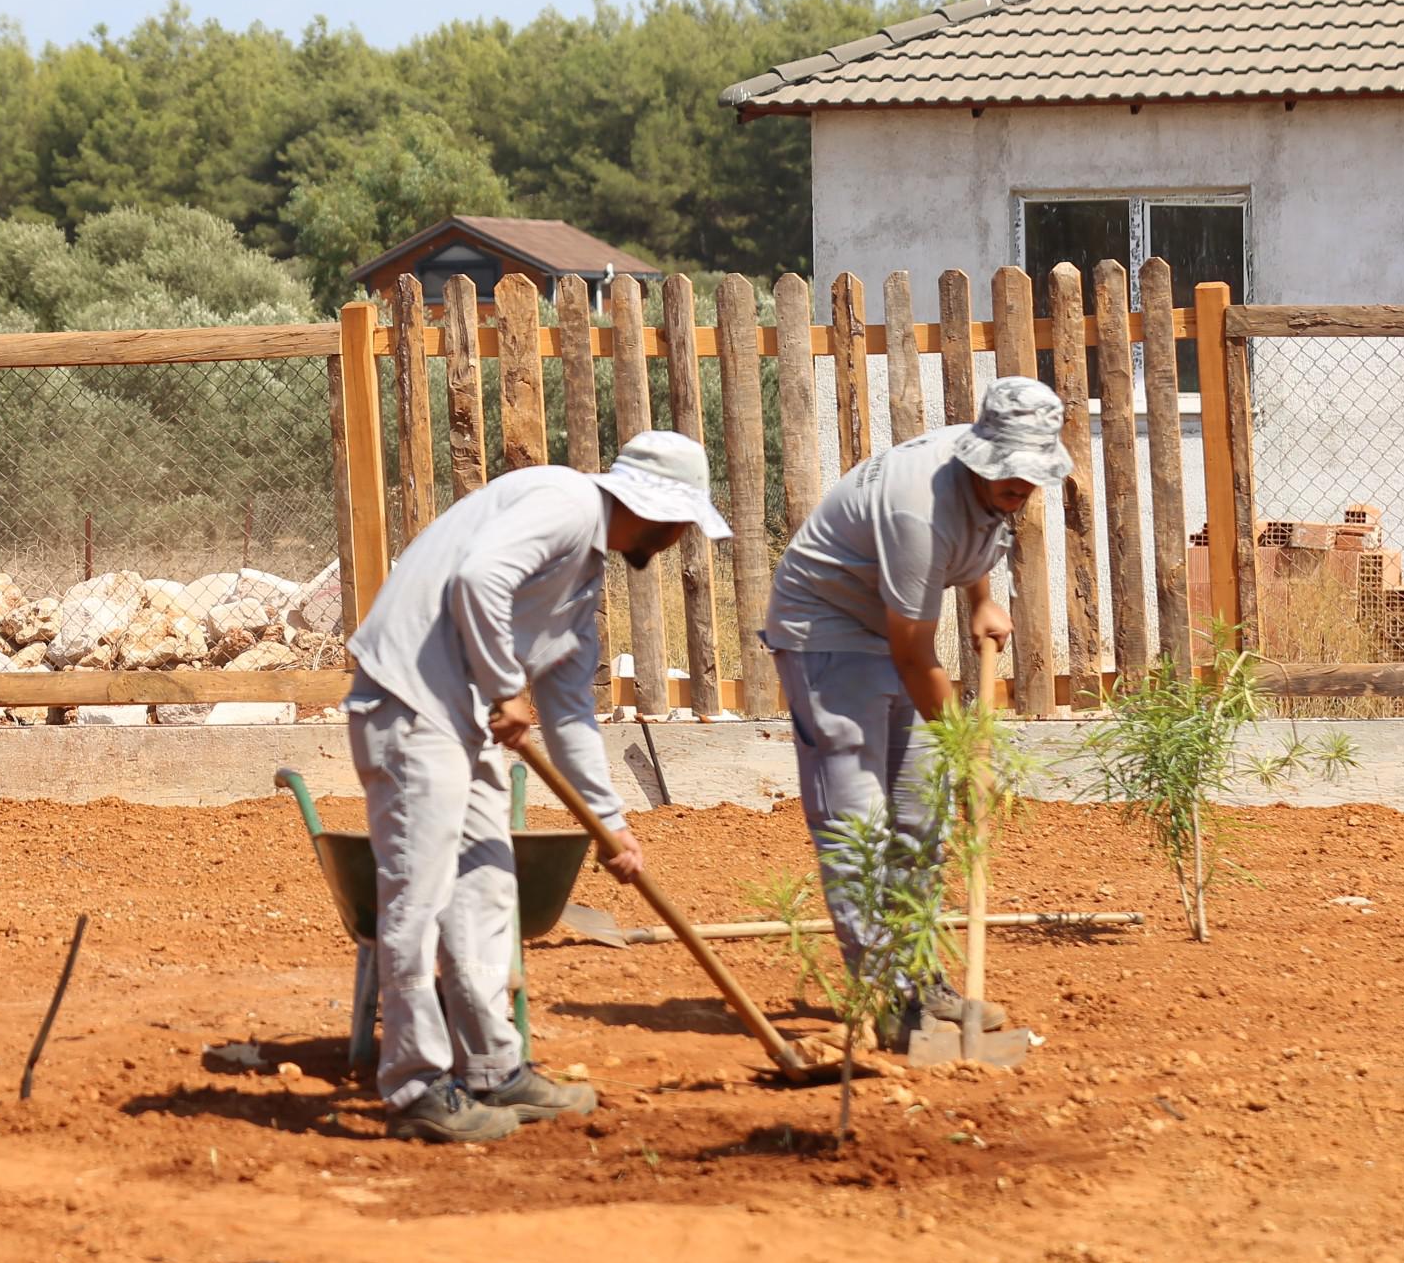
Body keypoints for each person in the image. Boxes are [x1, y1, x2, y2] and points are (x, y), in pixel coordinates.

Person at [346, 430, 732, 1144]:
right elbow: (479, 579)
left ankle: (496, 1067)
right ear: (660, 512)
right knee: (419, 898)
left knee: (487, 889)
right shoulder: (565, 501)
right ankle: (415, 1087)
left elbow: (570, 709)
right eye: (685, 525)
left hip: (465, 720)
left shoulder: (582, 578)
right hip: (411, 706)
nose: (682, 539)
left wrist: (610, 824)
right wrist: (502, 687)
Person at [759, 374, 1073, 1048]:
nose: (1019, 487)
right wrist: (968, 753)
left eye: (1029, 474)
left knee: (918, 812)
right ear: (980, 453)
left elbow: (974, 533)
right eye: (1009, 472)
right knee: (859, 818)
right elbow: (913, 652)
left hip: (891, 623)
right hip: (827, 629)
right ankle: (884, 995)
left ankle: (919, 975)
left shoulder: (985, 488)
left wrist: (980, 600)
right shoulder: (915, 506)